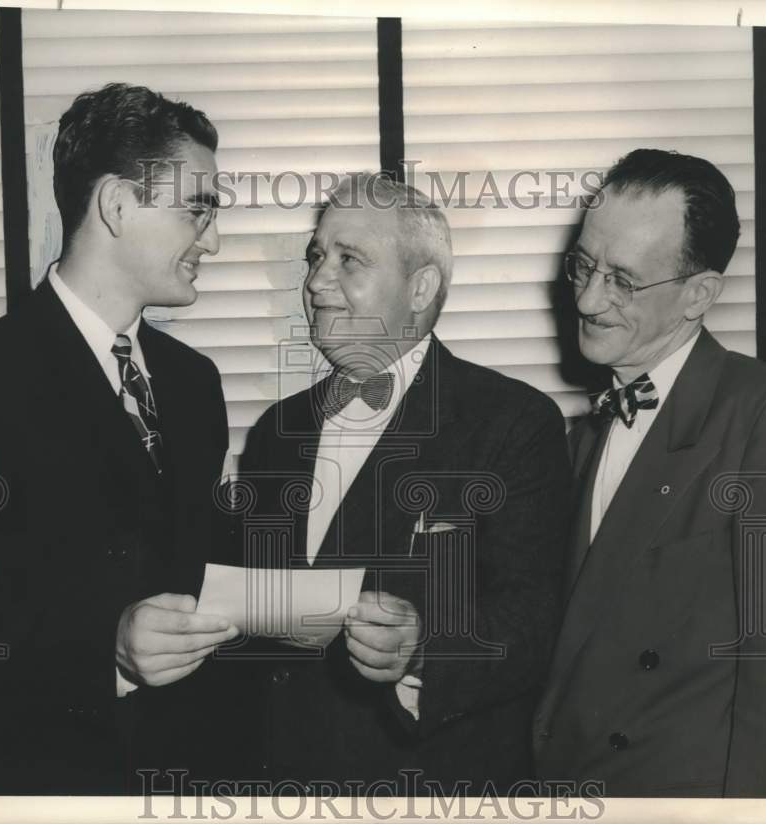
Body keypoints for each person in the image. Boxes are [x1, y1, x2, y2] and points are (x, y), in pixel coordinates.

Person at [0, 83, 237, 794]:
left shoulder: (195, 384)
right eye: (199, 209)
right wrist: (108, 654)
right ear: (117, 205)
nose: (214, 239)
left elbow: (204, 574)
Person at [224, 173, 571, 794]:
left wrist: (423, 651)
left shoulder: (515, 422)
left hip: (426, 786)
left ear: (421, 288)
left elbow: (535, 617)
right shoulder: (278, 430)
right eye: (315, 257)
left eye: (347, 260)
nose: (315, 282)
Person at [533, 149, 766, 797]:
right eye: (582, 265)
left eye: (622, 280)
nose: (587, 298)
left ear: (699, 294)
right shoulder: (584, 433)